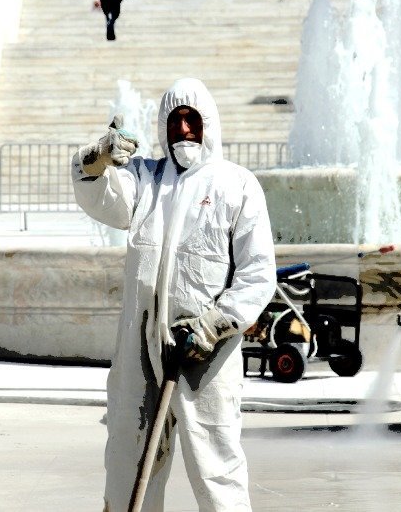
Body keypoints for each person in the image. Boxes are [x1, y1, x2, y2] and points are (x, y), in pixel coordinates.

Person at [71, 78, 276, 510]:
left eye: (192, 119)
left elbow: (257, 275)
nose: (184, 129)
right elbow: (100, 198)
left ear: (208, 124)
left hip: (207, 353)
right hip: (138, 352)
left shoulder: (236, 186)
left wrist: (212, 325)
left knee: (216, 470)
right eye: (175, 120)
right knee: (128, 463)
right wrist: (96, 160)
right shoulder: (144, 180)